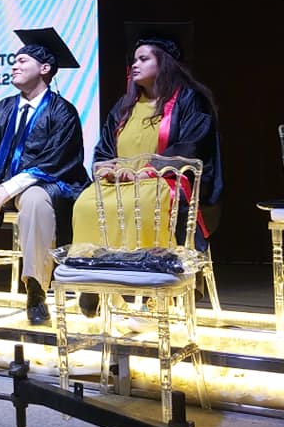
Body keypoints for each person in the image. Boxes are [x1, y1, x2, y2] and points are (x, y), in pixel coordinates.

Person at [72, 26, 222, 316]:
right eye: (134, 60)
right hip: (122, 182)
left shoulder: (189, 100)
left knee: (142, 202)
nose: (135, 65)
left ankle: (150, 285)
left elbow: (191, 146)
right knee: (86, 203)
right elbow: (105, 149)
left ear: (163, 63)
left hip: (167, 181)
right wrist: (108, 168)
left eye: (143, 59)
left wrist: (146, 172)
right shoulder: (125, 106)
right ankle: (94, 279)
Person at [0, 27, 89, 325]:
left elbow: (54, 162)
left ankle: (35, 289)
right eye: (14, 61)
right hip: (0, 186)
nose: (14, 66)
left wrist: (7, 190)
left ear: (44, 69)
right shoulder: (2, 109)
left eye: (22, 61)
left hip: (48, 184)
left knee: (33, 200)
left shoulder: (62, 112)